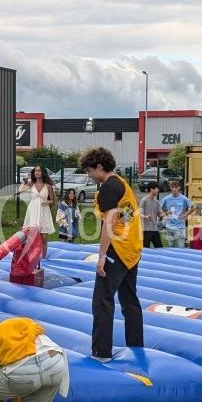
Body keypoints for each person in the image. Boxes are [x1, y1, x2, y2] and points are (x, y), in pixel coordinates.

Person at [82, 147, 143, 361]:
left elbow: (109, 222)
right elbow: (128, 216)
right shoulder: (122, 183)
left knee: (102, 301)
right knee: (129, 300)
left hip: (117, 250)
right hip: (132, 249)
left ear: (99, 167)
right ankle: (136, 347)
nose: (89, 176)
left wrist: (101, 256)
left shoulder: (108, 187)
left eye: (90, 171)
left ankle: (101, 353)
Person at [19, 166, 57, 245]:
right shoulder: (31, 184)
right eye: (35, 171)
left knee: (43, 239)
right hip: (33, 211)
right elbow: (21, 191)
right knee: (32, 237)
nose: (37, 172)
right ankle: (32, 255)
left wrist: (47, 202)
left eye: (39, 171)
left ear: (43, 173)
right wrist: (24, 181)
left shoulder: (48, 186)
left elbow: (52, 201)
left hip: (44, 211)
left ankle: (43, 257)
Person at [159, 180, 192, 248]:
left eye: (176, 187)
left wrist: (186, 214)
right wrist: (165, 214)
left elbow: (193, 207)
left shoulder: (183, 199)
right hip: (169, 226)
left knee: (180, 247)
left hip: (180, 226)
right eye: (172, 187)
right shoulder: (166, 199)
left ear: (179, 188)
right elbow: (159, 209)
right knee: (171, 246)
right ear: (170, 188)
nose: (174, 189)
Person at [139, 184, 164, 248]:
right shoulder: (143, 200)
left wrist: (166, 213)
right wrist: (146, 217)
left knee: (160, 248)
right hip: (145, 230)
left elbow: (160, 214)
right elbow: (140, 214)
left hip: (155, 229)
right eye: (156, 188)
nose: (158, 190)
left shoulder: (157, 202)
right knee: (146, 250)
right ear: (152, 189)